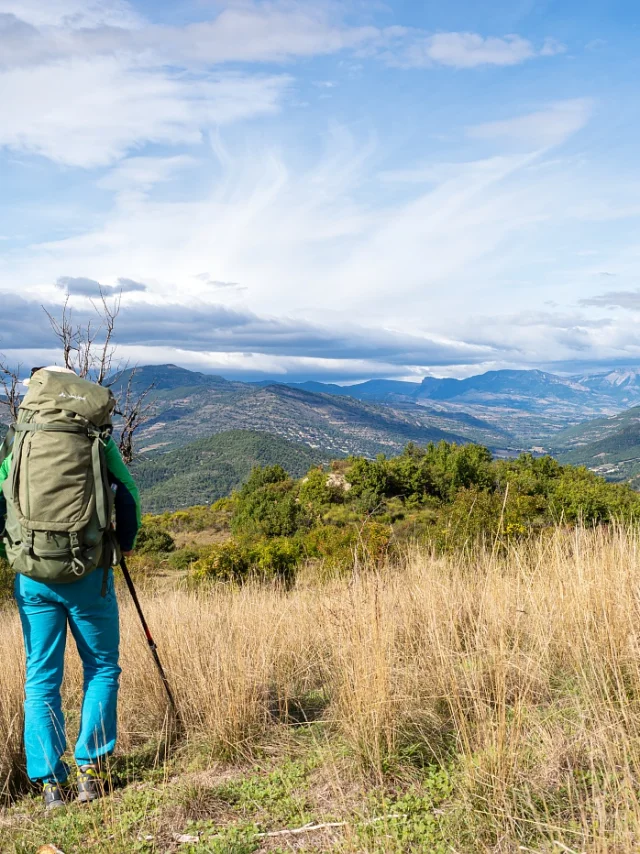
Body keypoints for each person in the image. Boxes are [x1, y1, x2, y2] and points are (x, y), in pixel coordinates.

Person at [0, 366, 141, 810]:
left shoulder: (19, 437)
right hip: (88, 572)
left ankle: (50, 785)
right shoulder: (94, 437)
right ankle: (91, 772)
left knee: (40, 680)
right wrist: (126, 544)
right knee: (101, 668)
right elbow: (130, 493)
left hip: (33, 575)